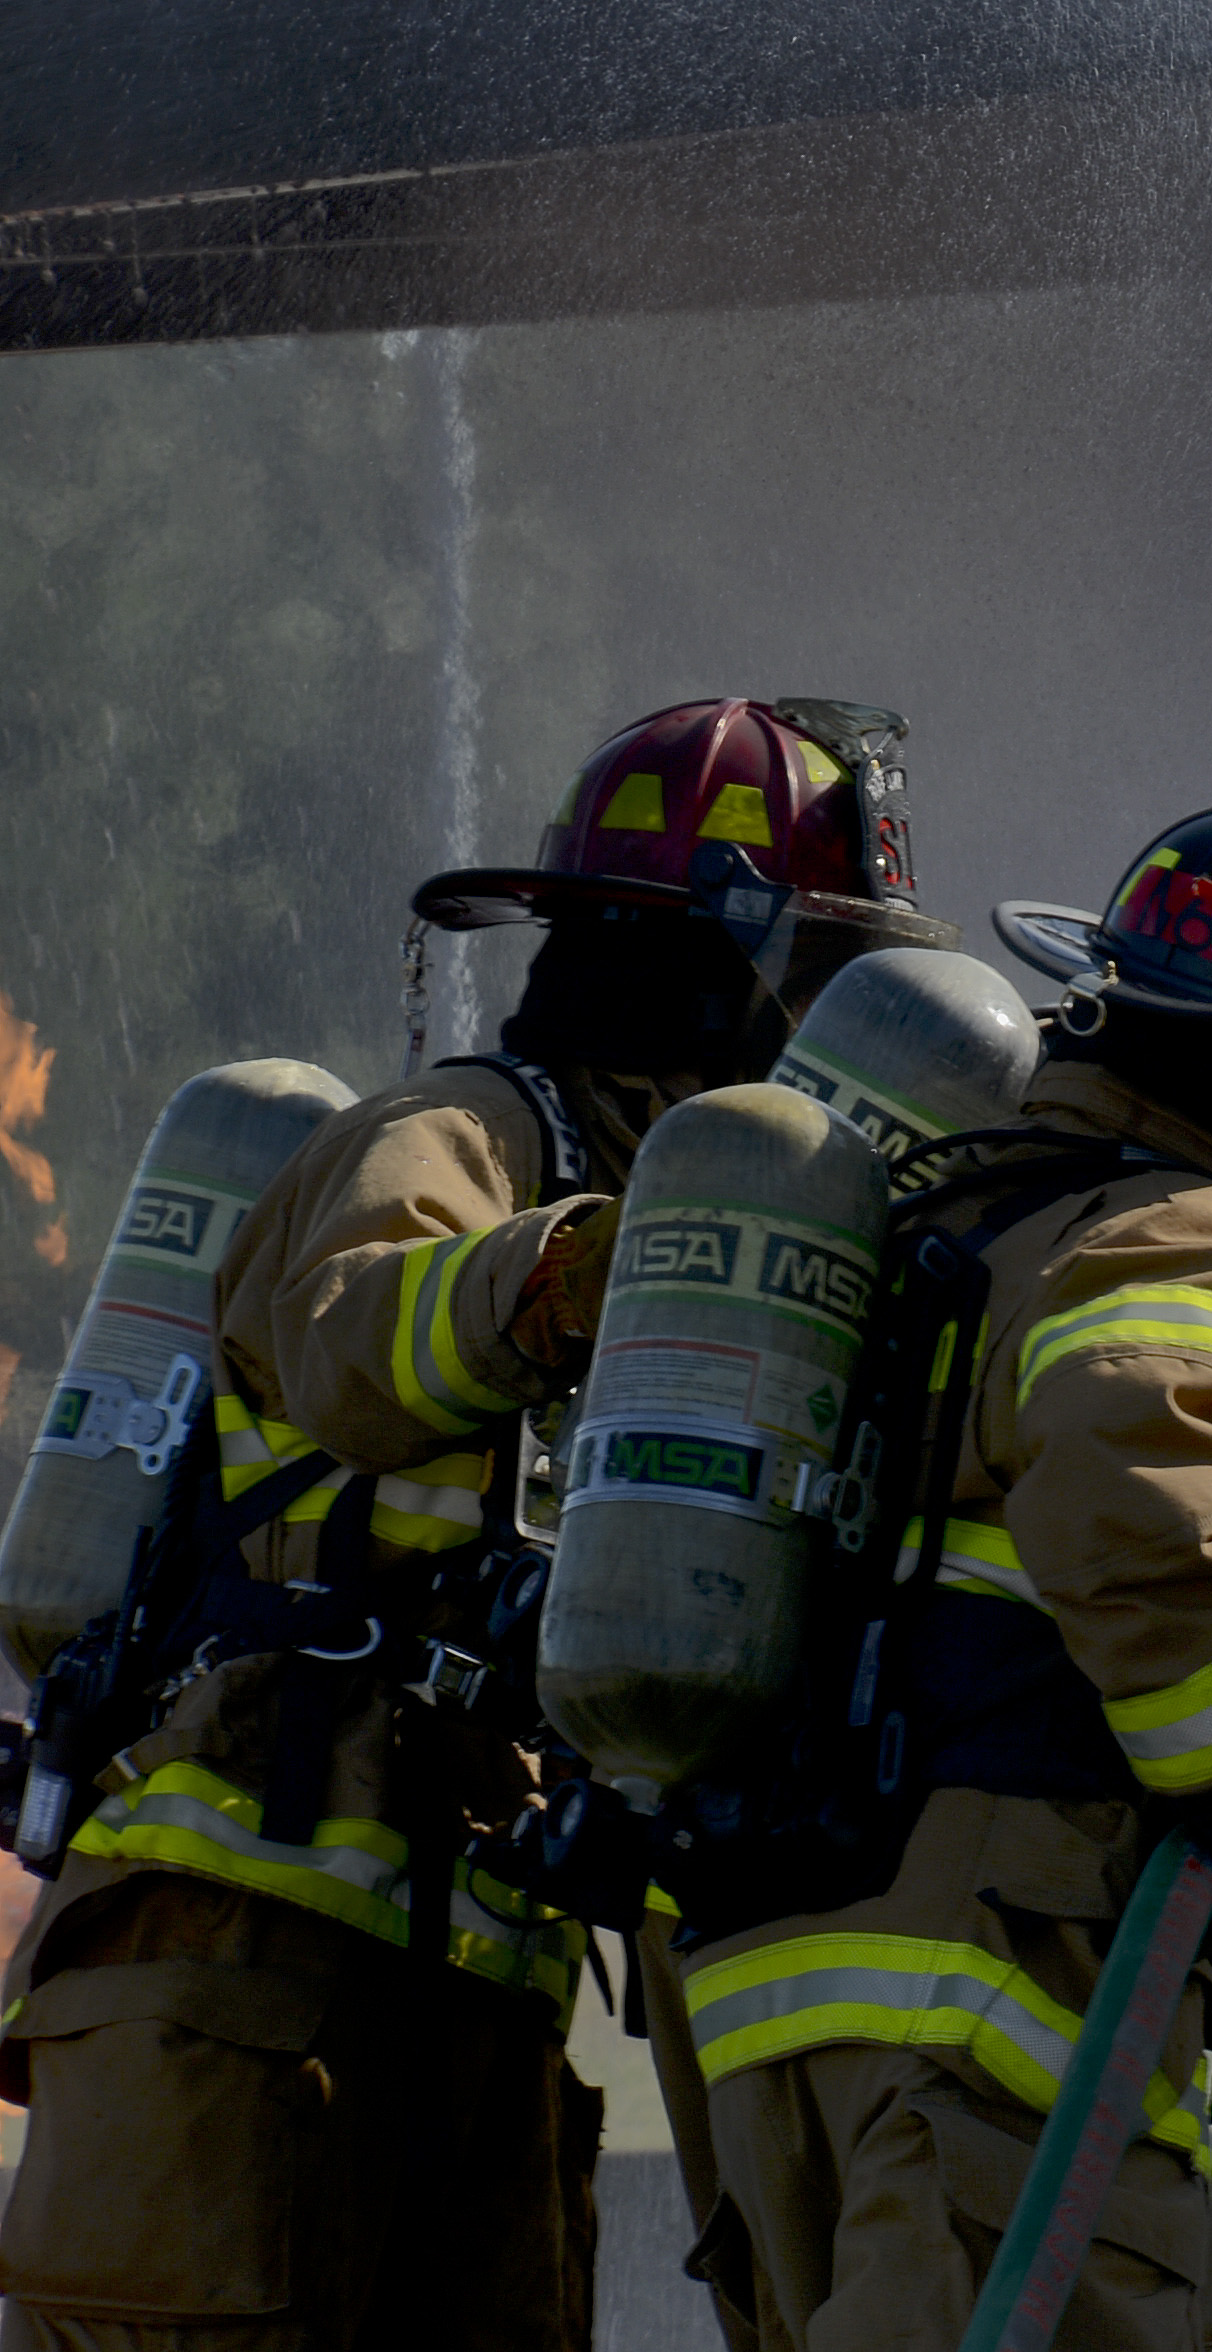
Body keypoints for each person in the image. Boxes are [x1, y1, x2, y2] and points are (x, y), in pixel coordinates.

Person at [0, 697, 953, 2352]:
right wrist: (565, 1274)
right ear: (729, 970)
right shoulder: (464, 1131)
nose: (828, 1037)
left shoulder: (725, 1244)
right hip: (242, 1953)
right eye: (821, 979)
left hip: (476, 1989)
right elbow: (346, 1340)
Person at [659, 768, 1212, 2352]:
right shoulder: (1201, 1228)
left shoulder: (988, 1207)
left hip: (785, 1992)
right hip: (988, 2014)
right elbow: (1134, 1487)